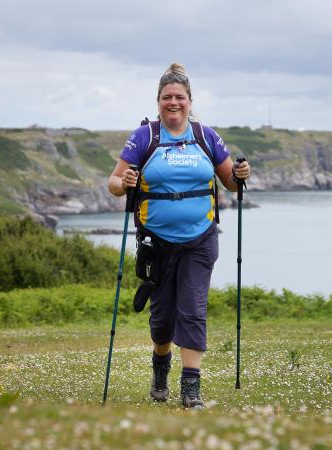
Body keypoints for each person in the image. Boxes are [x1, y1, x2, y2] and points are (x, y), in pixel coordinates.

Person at [107, 62, 251, 409]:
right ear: (158, 102)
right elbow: (113, 183)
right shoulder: (145, 137)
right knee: (162, 320)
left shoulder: (206, 136)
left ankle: (191, 388)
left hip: (200, 239)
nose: (174, 102)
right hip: (156, 243)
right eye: (167, 97)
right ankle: (161, 366)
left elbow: (231, 182)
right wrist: (124, 183)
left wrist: (242, 174)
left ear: (190, 101)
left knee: (192, 308)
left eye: (180, 97)